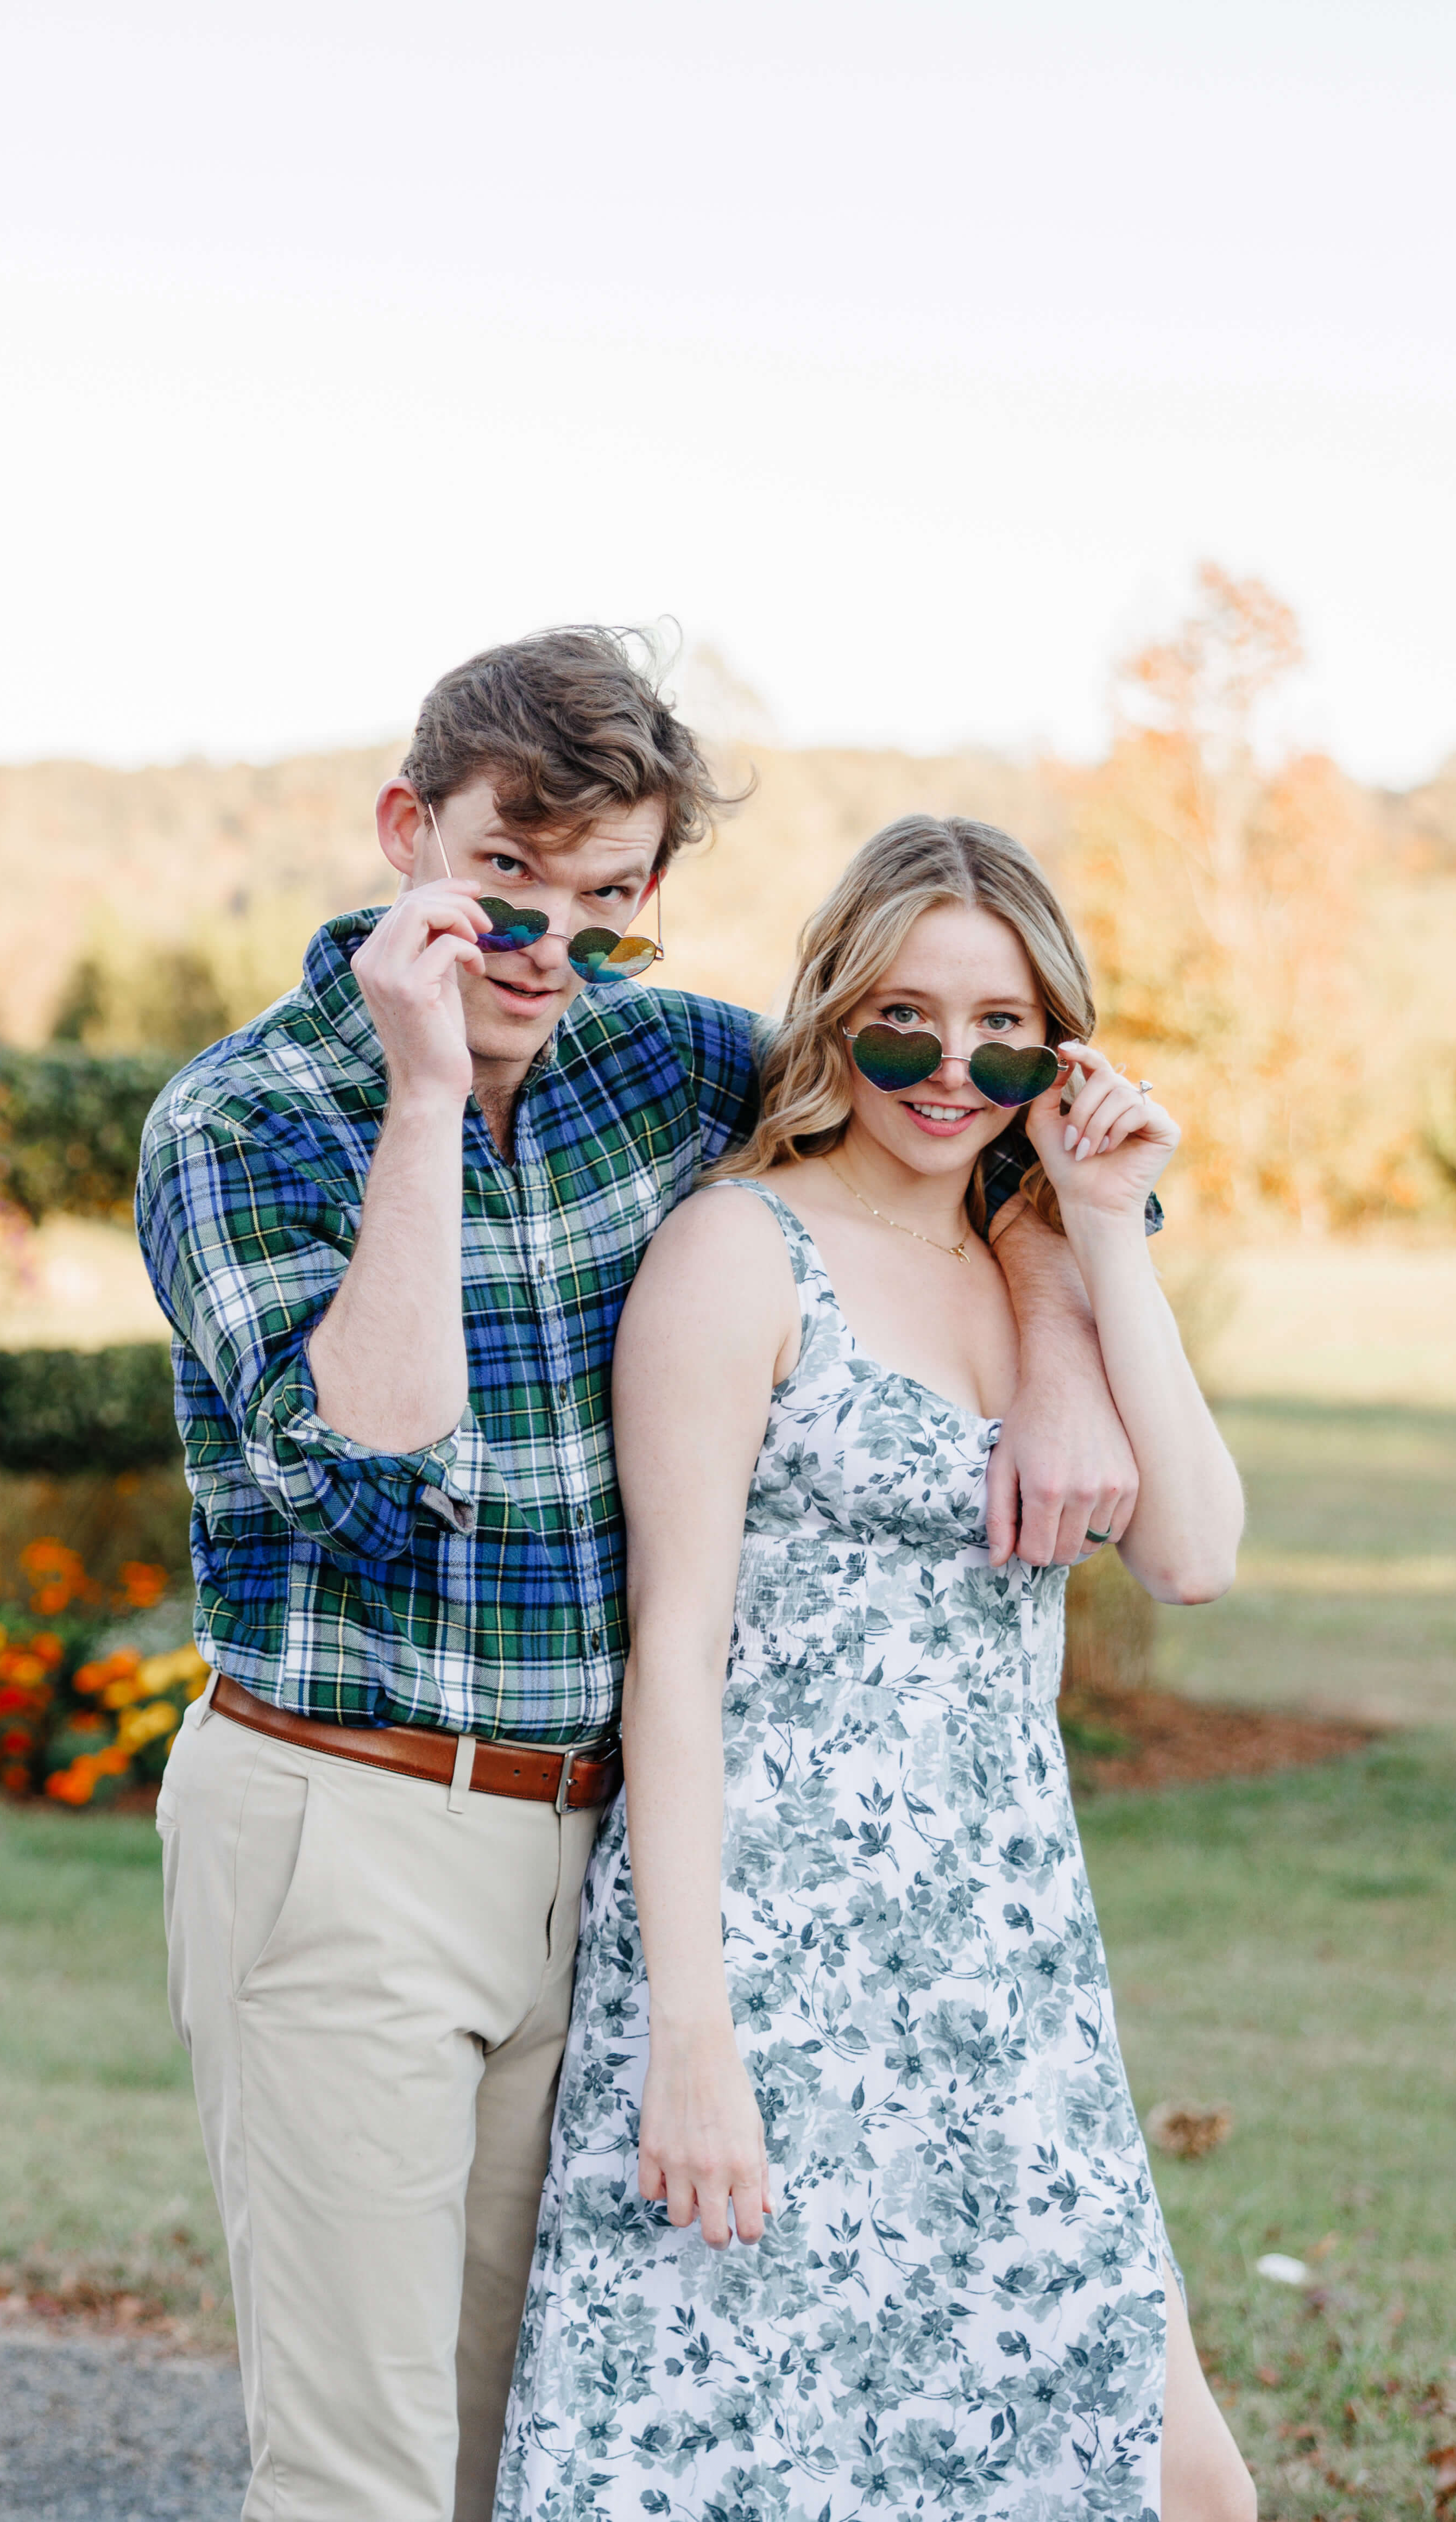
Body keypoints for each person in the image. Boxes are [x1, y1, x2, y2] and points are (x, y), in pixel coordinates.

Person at [135, 633, 1149, 2522]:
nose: (543, 944)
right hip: (348, 1827)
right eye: (505, 878)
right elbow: (376, 1462)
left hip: (595, 1855)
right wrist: (426, 1098)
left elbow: (953, 1138)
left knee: (537, 2444)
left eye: (607, 899)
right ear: (404, 832)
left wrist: (1065, 1358)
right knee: (365, 2473)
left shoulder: (668, 1064)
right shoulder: (243, 1123)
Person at [490, 814, 1256, 2522]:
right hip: (774, 1961)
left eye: (1004, 1030)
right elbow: (672, 1659)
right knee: (766, 2466)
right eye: (907, 1017)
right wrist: (691, 2035)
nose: (950, 1069)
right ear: (836, 1011)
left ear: (1061, 1043)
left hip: (1001, 1960)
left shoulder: (1039, 1251)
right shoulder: (736, 1253)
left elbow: (1195, 1554)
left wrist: (1107, 1222)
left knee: (1171, 2480)